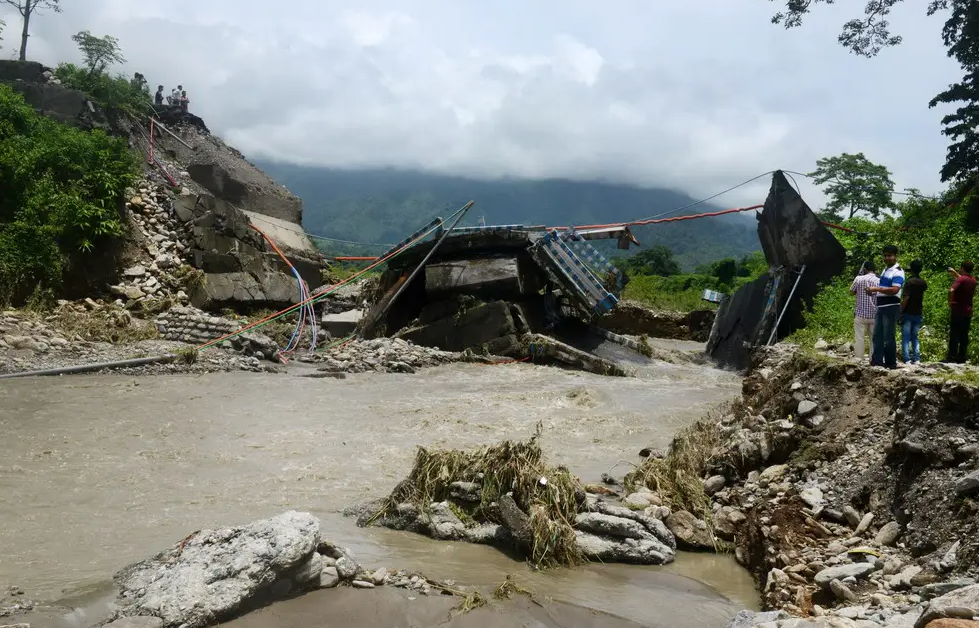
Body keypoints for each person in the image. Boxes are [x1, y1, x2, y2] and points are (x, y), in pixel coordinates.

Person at [866, 245, 904, 369]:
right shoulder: (885, 270)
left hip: (891, 306)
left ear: (895, 256)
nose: (887, 258)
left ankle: (890, 363)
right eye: (885, 255)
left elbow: (894, 289)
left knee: (888, 336)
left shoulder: (897, 271)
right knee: (877, 335)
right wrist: (875, 292)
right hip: (881, 306)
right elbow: (884, 289)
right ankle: (877, 361)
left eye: (889, 255)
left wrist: (876, 288)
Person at [947, 261, 976, 363]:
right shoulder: (973, 280)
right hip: (968, 311)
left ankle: (952, 356)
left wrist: (950, 301)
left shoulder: (961, 279)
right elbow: (963, 280)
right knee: (964, 334)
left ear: (962, 268)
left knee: (954, 334)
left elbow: (951, 290)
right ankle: (962, 356)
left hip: (958, 310)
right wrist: (955, 273)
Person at [849, 261, 879, 362]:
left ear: (865, 269)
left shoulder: (859, 279)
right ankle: (873, 359)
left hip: (860, 314)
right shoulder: (879, 281)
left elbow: (851, 292)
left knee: (859, 338)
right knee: (873, 339)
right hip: (874, 315)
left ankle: (858, 358)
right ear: (875, 270)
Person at [901, 259, 927, 364]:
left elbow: (906, 298)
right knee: (915, 336)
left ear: (911, 269)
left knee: (906, 337)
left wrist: (901, 310)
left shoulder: (909, 282)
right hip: (918, 312)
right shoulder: (923, 283)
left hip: (908, 312)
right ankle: (917, 358)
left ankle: (907, 358)